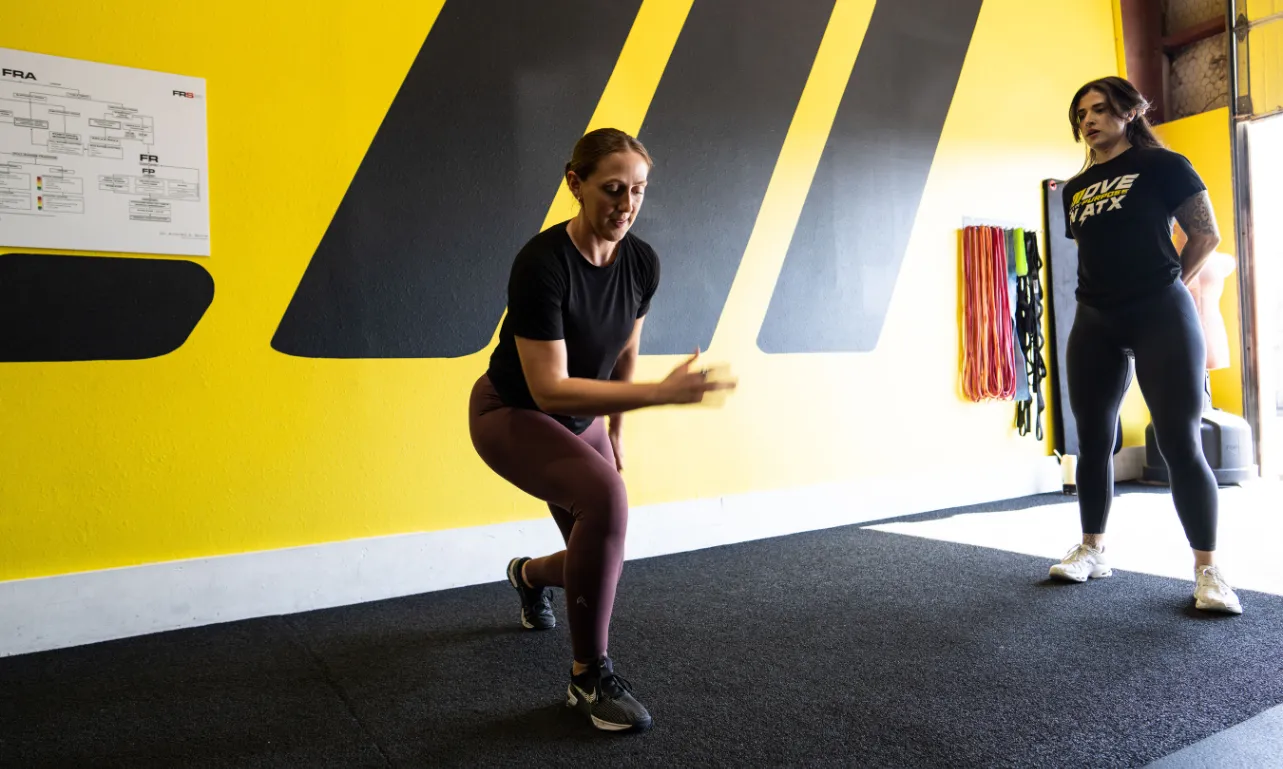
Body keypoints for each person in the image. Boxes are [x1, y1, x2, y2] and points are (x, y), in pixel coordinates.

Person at [468, 127, 736, 733]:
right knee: (606, 502)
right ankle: (587, 679)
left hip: (582, 421)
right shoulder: (541, 264)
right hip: (513, 414)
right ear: (575, 184)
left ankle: (527, 575)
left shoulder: (641, 261)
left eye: (638, 191)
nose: (626, 204)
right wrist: (659, 397)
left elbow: (623, 350)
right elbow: (549, 389)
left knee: (601, 555)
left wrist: (616, 430)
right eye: (613, 189)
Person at [1050, 76, 1242, 615]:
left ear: (1129, 111)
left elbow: (1205, 234)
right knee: (1093, 441)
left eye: (1098, 108)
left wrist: (1169, 288)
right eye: (1080, 113)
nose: (1088, 120)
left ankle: (1209, 572)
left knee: (1181, 441)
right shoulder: (1075, 188)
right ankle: (1093, 550)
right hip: (1095, 319)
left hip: (1160, 310)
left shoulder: (1163, 166)